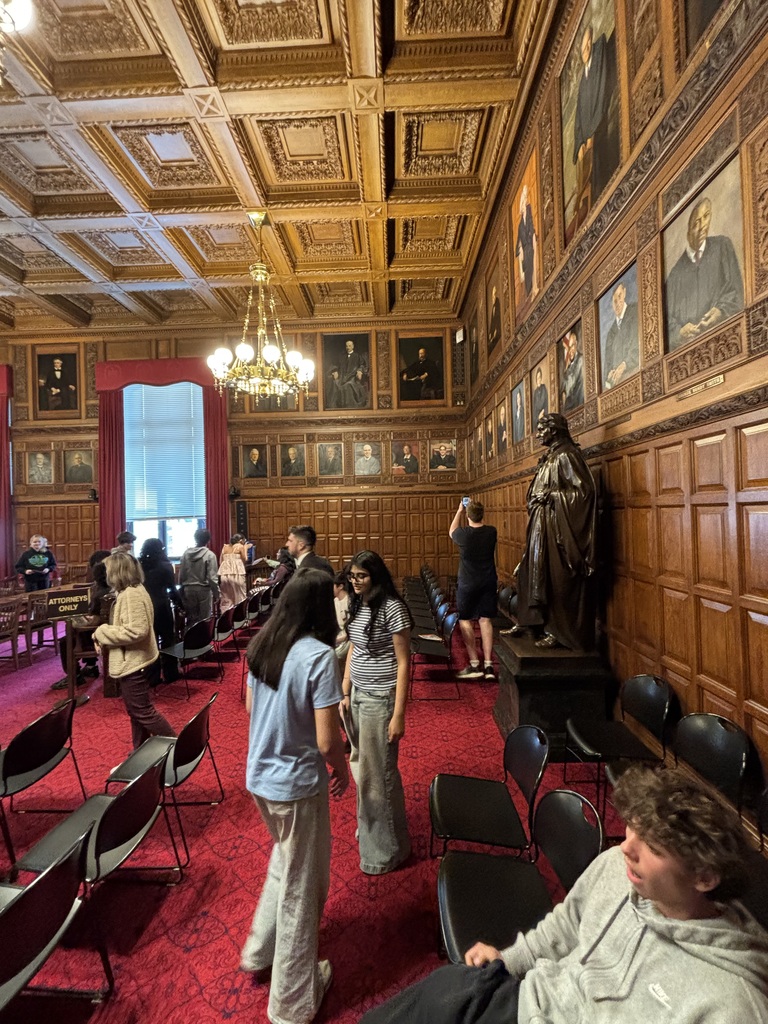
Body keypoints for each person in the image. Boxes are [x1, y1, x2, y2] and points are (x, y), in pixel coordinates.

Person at [359, 765, 768, 1024]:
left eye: (654, 846)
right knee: (440, 990)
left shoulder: (731, 1002)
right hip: (521, 997)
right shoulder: (618, 867)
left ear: (705, 876)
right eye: (632, 828)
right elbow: (566, 923)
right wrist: (511, 957)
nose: (626, 847)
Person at [240, 569, 349, 1024]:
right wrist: (343, 769)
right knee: (304, 887)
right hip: (297, 784)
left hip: (260, 777)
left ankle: (259, 950)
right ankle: (291, 1001)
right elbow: (327, 740)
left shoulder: (263, 645)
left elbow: (250, 710)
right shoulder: (319, 656)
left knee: (286, 862)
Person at [340, 551, 413, 875]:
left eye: (362, 576)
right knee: (368, 770)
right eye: (352, 576)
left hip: (379, 700)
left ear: (376, 576)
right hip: (357, 694)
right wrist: (344, 687)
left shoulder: (392, 608)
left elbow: (403, 662)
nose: (355, 582)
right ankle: (379, 832)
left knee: (377, 776)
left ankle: (384, 852)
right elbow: (355, 645)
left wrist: (399, 714)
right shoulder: (360, 603)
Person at [512, 413, 596, 651]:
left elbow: (584, 493)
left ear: (555, 430)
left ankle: (561, 632)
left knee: (559, 579)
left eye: (541, 430)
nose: (538, 434)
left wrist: (552, 496)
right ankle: (535, 623)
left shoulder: (567, 455)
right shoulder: (551, 457)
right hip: (543, 525)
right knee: (534, 573)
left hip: (559, 528)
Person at [93, 552, 175, 750]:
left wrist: (102, 631)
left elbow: (136, 631)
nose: (107, 575)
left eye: (109, 570)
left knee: (143, 712)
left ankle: (180, 749)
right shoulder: (132, 590)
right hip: (136, 659)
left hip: (134, 661)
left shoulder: (131, 594)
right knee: (136, 712)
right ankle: (140, 753)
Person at [665, 196, 744, 351]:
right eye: (696, 223)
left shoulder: (723, 247)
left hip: (727, 343)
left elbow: (737, 290)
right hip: (691, 354)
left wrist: (721, 310)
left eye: (706, 216)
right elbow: (665, 322)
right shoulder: (674, 276)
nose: (703, 226)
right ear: (688, 233)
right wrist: (680, 332)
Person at [449, 500, 497, 680]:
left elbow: (451, 531)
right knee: (485, 621)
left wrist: (459, 511)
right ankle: (489, 666)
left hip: (468, 583)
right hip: (488, 581)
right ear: (482, 514)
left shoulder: (463, 534)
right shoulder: (492, 532)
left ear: (468, 515)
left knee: (465, 620)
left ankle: (474, 664)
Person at [572, 24, 618, 206]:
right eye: (583, 47)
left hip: (599, 129)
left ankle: (604, 199)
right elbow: (578, 119)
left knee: (602, 170)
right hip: (588, 139)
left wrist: (592, 133)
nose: (586, 49)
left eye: (588, 43)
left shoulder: (599, 62)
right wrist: (579, 144)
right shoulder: (583, 82)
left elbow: (601, 95)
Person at [139, 538, 183, 684]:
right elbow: (172, 589)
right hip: (162, 607)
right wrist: (181, 605)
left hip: (145, 607)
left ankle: (152, 676)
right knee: (168, 640)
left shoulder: (140, 566)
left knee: (150, 642)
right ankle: (171, 674)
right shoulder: (165, 566)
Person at [603, 281, 639, 389]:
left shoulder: (635, 312)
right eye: (614, 301)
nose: (618, 303)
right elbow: (608, 363)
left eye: (619, 296)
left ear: (624, 293)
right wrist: (608, 374)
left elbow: (638, 348)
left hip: (634, 377)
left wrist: (624, 365)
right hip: (617, 386)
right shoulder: (611, 333)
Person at [179, 528, 220, 624]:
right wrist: (217, 594)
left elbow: (181, 574)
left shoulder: (186, 554)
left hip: (188, 589)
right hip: (204, 591)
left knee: (191, 619)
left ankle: (191, 638)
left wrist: (182, 590)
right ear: (208, 540)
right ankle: (203, 638)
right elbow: (212, 578)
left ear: (195, 538)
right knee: (204, 620)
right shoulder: (210, 555)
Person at [326, 338, 369, 409]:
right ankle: (335, 406)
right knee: (334, 383)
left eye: (349, 346)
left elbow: (362, 365)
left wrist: (360, 371)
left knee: (348, 385)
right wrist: (335, 371)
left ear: (353, 346)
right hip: (342, 377)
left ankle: (349, 407)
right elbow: (336, 365)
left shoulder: (357, 356)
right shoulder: (342, 356)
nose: (348, 347)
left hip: (353, 377)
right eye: (347, 346)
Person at [515, 184, 539, 300]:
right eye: (522, 202)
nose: (523, 204)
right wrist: (520, 249)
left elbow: (532, 228)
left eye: (525, 200)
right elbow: (518, 241)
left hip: (531, 243)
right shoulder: (520, 225)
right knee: (527, 256)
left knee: (530, 254)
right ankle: (530, 290)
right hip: (526, 248)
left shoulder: (529, 214)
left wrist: (532, 237)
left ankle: (533, 287)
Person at [219, 534, 247, 612]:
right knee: (240, 596)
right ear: (241, 540)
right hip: (237, 574)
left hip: (224, 574)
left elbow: (220, 561)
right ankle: (240, 617)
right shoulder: (240, 546)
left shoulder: (225, 547)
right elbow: (245, 559)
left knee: (226, 598)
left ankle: (226, 618)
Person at [560, 329, 584, 411]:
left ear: (576, 344)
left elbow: (572, 384)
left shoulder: (581, 360)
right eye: (569, 348)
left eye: (572, 346)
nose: (570, 351)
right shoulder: (569, 366)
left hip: (578, 405)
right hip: (569, 409)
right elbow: (563, 387)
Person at [487, 284, 501, 351]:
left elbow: (498, 319)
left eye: (495, 294)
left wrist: (496, 330)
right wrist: (490, 333)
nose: (494, 297)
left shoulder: (497, 303)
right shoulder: (493, 307)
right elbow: (492, 321)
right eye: (493, 295)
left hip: (497, 330)